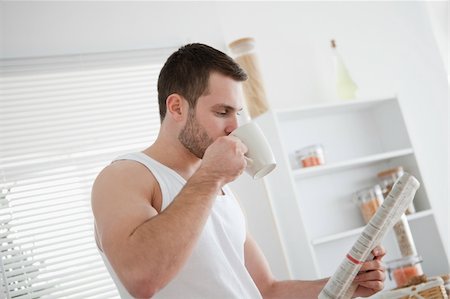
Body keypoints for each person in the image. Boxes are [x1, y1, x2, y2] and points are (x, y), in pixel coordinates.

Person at [91, 43, 386, 298]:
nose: (234, 127)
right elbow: (141, 279)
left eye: (237, 113)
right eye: (222, 112)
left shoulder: (218, 190)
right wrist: (211, 176)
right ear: (177, 108)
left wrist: (346, 284)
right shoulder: (125, 177)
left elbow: (266, 290)